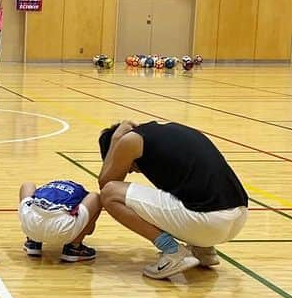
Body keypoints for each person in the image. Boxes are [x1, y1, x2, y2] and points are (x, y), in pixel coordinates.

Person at [98, 120, 249, 280]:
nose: (134, 171)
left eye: (130, 168)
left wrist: (116, 140)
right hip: (238, 216)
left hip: (209, 222)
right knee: (177, 192)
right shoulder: (169, 132)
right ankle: (202, 249)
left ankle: (173, 252)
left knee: (111, 194)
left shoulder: (130, 141)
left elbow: (106, 184)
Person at [19, 179, 101, 262]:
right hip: (62, 226)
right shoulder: (82, 194)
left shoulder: (43, 190)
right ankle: (74, 248)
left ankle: (32, 241)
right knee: (95, 196)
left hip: (32, 223)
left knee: (28, 185)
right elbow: (90, 230)